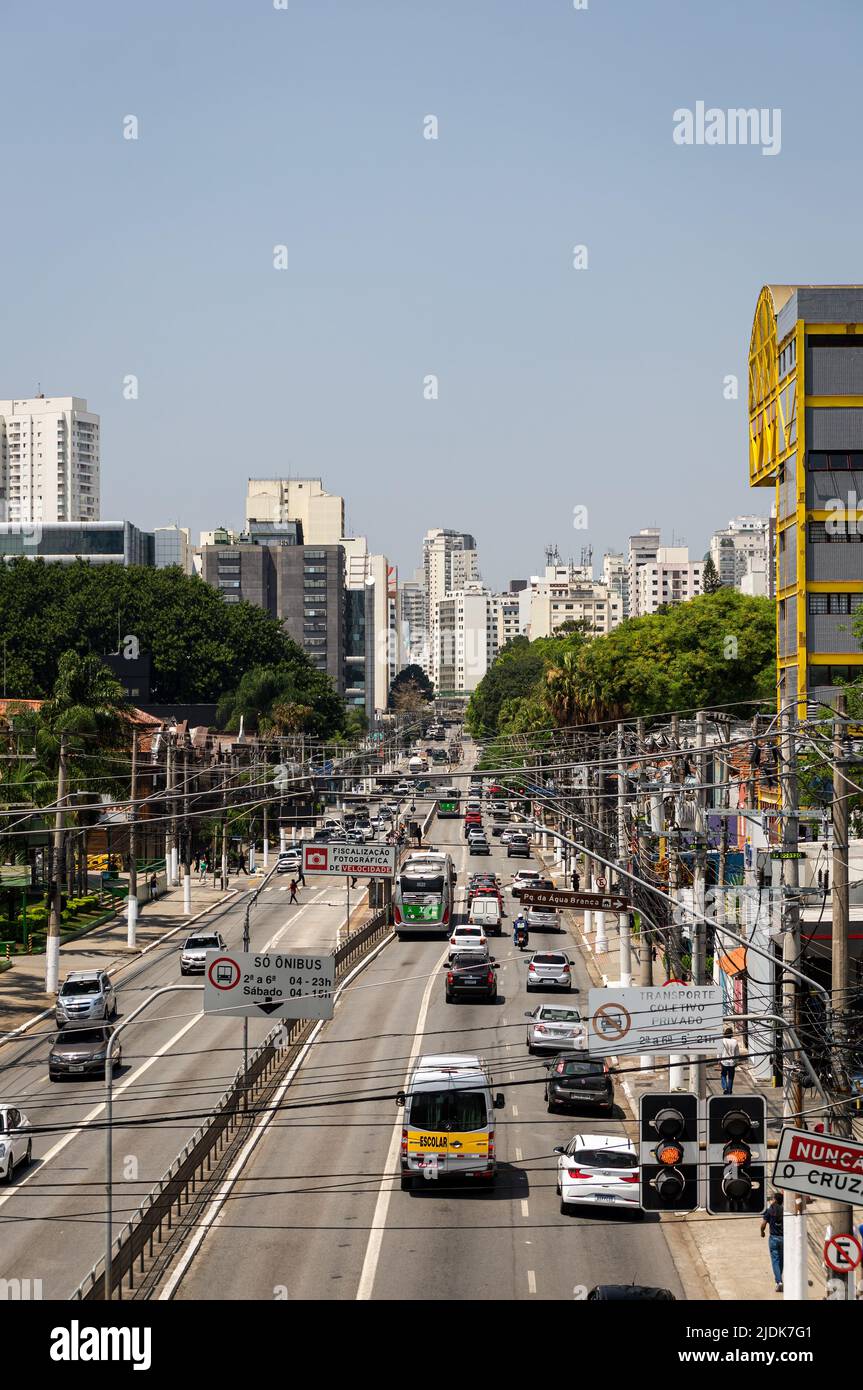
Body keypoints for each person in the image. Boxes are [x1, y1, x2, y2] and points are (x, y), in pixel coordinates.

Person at [760, 1192, 784, 1292]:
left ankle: (779, 1282)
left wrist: (762, 1232)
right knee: (781, 1260)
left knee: (775, 1260)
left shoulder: (770, 1210)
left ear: (775, 1199)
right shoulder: (784, 1210)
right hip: (783, 1238)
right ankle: (779, 1280)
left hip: (773, 1238)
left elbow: (763, 1225)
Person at [719, 1025, 741, 1095]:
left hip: (724, 1062)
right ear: (731, 1034)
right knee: (731, 1077)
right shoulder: (735, 1041)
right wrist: (737, 1061)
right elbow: (737, 1053)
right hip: (732, 1062)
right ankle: (729, 1090)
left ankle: (725, 1087)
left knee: (723, 1075)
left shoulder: (722, 1041)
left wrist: (719, 1060)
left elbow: (719, 1052)